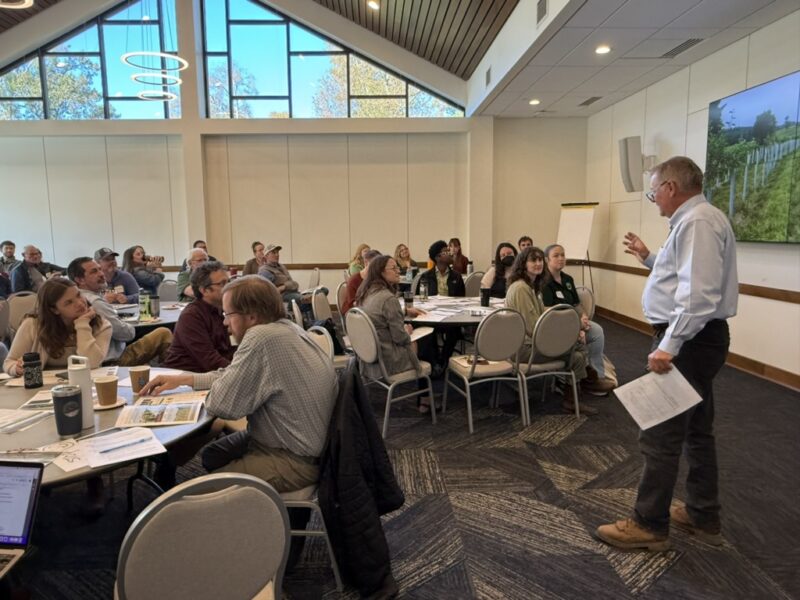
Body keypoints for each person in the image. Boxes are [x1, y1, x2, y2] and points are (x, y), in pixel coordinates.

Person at [596, 156, 738, 551]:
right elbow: (680, 273)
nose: (653, 198)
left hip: (688, 343)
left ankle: (648, 523)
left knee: (660, 433)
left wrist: (668, 346)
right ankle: (702, 512)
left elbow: (698, 295)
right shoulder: (700, 219)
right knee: (697, 430)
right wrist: (647, 257)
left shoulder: (697, 222)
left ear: (671, 188)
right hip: (698, 340)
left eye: (654, 190)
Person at [140, 276, 338, 494]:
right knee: (213, 455)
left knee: (198, 494)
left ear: (251, 316)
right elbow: (233, 374)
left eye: (228, 315)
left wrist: (199, 393)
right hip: (312, 444)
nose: (225, 322)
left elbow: (222, 406)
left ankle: (252, 515)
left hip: (295, 459)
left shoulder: (260, 338)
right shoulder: (287, 328)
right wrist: (187, 380)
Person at [504, 247, 593, 415]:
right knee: (577, 350)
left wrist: (569, 327)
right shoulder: (521, 288)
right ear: (523, 264)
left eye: (539, 260)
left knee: (578, 354)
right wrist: (566, 335)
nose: (538, 264)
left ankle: (575, 395)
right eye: (533, 260)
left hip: (531, 344)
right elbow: (533, 328)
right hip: (522, 349)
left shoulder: (530, 285)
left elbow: (541, 313)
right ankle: (585, 384)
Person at [354, 255, 432, 412]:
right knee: (428, 343)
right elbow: (400, 338)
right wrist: (407, 331)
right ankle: (426, 398)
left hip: (369, 357)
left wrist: (403, 312)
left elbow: (379, 317)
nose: (399, 271)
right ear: (381, 272)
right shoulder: (389, 299)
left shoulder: (367, 293)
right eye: (394, 268)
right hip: (389, 360)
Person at [69, 257, 172, 366]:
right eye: (94, 271)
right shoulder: (95, 302)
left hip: (89, 359)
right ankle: (170, 373)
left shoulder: (79, 299)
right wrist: (127, 324)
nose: (101, 274)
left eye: (100, 269)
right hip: (112, 361)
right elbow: (125, 334)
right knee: (163, 333)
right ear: (80, 280)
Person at [542, 244, 616, 395]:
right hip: (555, 326)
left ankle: (596, 377)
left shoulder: (567, 279)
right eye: (556, 255)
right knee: (577, 337)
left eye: (563, 255)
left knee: (596, 331)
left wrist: (583, 317)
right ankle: (566, 380)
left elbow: (577, 304)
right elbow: (548, 312)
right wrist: (576, 326)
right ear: (546, 259)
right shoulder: (543, 281)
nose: (561, 258)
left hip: (574, 323)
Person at [4, 278, 111, 375]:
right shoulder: (32, 324)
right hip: (43, 388)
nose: (80, 303)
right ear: (54, 310)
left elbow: (92, 363)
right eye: (69, 302)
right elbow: (9, 362)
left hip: (86, 383)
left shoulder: (101, 325)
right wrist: (16, 368)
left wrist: (82, 324)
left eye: (79, 295)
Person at [163, 261, 234, 372]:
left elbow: (225, 351)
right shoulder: (191, 316)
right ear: (204, 290)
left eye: (229, 282)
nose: (229, 287)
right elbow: (209, 360)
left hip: (206, 374)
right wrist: (240, 372)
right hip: (184, 380)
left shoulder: (219, 310)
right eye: (222, 284)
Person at [342, 249, 382, 315]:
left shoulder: (376, 278)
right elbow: (352, 304)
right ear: (366, 263)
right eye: (375, 264)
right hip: (354, 313)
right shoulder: (354, 280)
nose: (378, 267)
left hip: (369, 310)